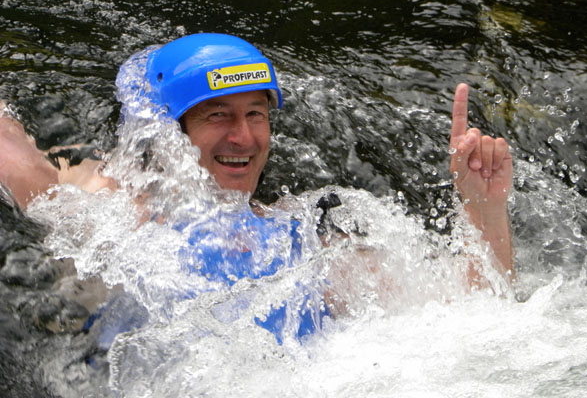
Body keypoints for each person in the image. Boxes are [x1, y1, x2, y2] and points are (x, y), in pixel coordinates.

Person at [0, 33, 513, 337]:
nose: (244, 137)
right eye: (218, 116)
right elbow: (18, 159)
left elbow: (476, 319)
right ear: (167, 134)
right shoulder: (101, 215)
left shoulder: (303, 239)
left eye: (255, 114)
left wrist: (482, 206)